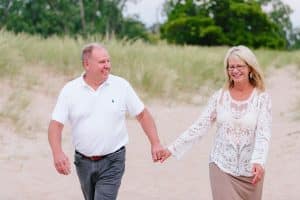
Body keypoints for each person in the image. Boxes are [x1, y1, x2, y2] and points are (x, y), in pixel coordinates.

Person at [48, 43, 164, 200]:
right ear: (87, 64)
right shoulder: (70, 90)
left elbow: (142, 115)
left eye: (108, 61)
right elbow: (56, 125)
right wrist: (57, 153)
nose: (107, 66)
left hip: (113, 161)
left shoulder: (121, 86)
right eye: (102, 62)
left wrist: (155, 142)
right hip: (83, 162)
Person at [161, 45, 272, 200]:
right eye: (230, 67)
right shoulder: (219, 97)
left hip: (251, 171)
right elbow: (200, 126)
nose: (235, 70)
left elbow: (263, 133)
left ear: (250, 68)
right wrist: (172, 149)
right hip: (221, 166)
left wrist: (259, 161)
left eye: (239, 66)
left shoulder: (261, 98)